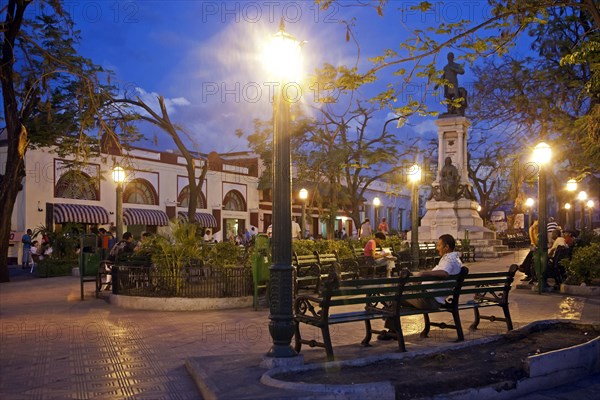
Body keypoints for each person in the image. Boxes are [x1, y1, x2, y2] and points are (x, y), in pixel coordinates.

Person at [379, 234, 463, 340]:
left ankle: (392, 328)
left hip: (429, 300)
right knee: (398, 298)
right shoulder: (456, 259)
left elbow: (444, 273)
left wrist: (424, 273)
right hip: (432, 298)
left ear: (446, 247)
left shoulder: (449, 259)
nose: (437, 248)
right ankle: (391, 324)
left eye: (439, 245)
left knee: (395, 298)